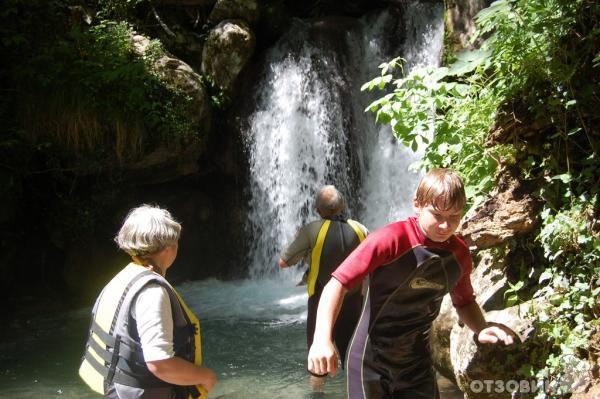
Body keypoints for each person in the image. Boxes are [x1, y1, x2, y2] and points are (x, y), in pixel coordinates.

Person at [307, 169, 516, 399]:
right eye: (437, 215)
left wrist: (481, 328)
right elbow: (336, 284)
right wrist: (321, 340)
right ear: (417, 204)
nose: (445, 226)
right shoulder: (390, 239)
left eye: (454, 217)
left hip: (417, 365)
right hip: (370, 364)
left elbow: (464, 301)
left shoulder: (459, 255)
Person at [79, 204, 217, 399]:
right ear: (169, 247)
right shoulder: (152, 293)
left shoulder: (124, 278)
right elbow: (159, 362)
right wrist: (206, 376)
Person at [278, 185, 369, 387]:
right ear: (342, 206)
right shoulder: (361, 229)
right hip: (353, 301)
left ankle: (317, 393)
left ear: (318, 210)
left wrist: (302, 246)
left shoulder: (312, 229)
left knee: (317, 357)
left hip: (320, 303)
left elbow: (283, 262)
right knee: (354, 356)